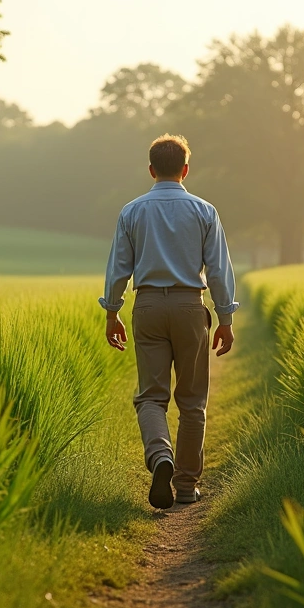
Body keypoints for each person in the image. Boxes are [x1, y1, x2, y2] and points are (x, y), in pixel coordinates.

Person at [99, 134, 239, 509]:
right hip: (190, 307)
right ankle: (187, 485)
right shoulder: (205, 211)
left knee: (151, 396)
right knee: (192, 401)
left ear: (151, 170)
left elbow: (118, 269)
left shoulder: (131, 211)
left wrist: (112, 312)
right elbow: (219, 271)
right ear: (185, 170)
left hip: (147, 307)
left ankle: (161, 456)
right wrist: (225, 319)